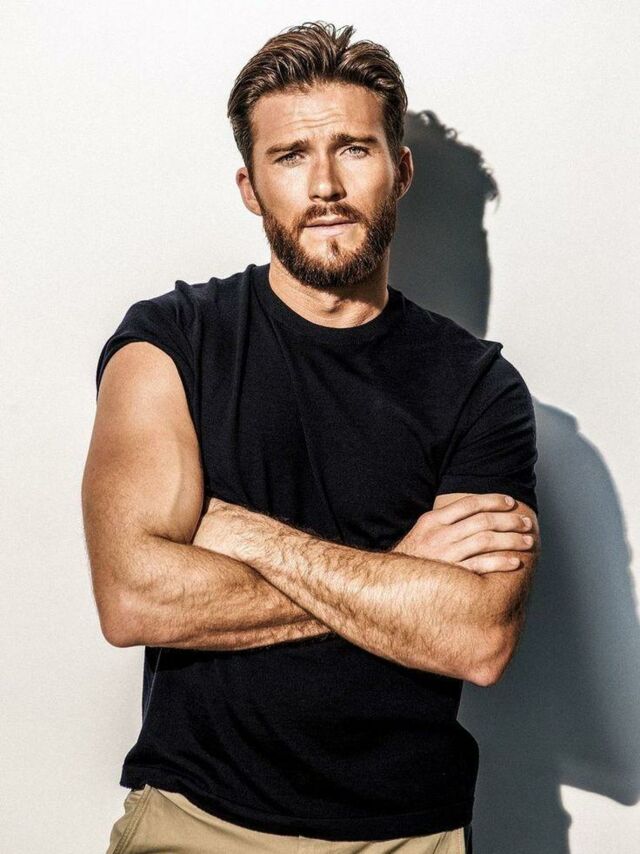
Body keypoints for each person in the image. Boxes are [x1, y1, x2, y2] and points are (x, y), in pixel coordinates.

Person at [82, 20, 540, 854]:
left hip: (408, 837)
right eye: (290, 156)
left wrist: (242, 533)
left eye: (353, 149)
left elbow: (476, 639)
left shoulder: (478, 386)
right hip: (194, 822)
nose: (325, 184)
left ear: (401, 171)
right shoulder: (171, 344)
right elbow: (133, 597)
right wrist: (402, 573)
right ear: (251, 187)